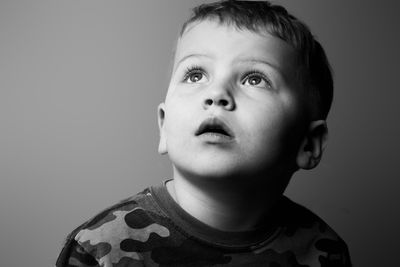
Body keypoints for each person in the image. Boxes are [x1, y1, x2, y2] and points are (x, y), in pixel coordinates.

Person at [56, 1, 351, 266]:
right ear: (163, 127)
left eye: (254, 78)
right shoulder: (102, 248)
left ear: (308, 144)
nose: (216, 94)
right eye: (195, 75)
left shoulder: (323, 251)